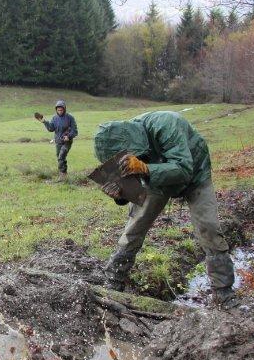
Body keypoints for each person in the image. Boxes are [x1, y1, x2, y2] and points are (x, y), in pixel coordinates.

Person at [93, 110, 236, 307]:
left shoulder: (166, 124)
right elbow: (131, 188)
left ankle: (223, 293)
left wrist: (145, 169)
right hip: (157, 181)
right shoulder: (121, 146)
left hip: (195, 175)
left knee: (209, 228)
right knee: (134, 228)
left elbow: (183, 169)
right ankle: (113, 282)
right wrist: (119, 196)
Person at [34, 100, 78, 176]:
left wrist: (69, 136)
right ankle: (65, 173)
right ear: (56, 110)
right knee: (60, 158)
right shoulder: (54, 118)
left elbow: (75, 131)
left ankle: (62, 173)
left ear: (64, 109)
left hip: (67, 142)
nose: (60, 111)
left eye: (61, 110)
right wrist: (44, 121)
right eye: (58, 110)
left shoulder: (70, 118)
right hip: (58, 141)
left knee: (61, 156)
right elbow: (51, 129)